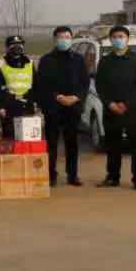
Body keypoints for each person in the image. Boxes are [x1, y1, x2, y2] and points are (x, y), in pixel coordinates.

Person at [95, 25, 136, 190]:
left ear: (127, 39)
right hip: (111, 109)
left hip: (133, 110)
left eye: (121, 36)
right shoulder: (105, 61)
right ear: (110, 40)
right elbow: (100, 85)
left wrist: (126, 103)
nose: (118, 39)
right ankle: (113, 177)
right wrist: (110, 103)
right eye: (115, 37)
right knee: (112, 145)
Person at [36, 27, 89, 187]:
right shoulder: (46, 60)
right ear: (55, 40)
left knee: (72, 142)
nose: (64, 40)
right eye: (61, 37)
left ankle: (72, 175)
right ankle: (51, 174)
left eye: (67, 37)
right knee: (52, 142)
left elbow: (84, 82)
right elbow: (42, 84)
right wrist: (58, 96)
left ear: (71, 39)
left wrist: (76, 97)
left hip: (73, 107)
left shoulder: (78, 59)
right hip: (53, 107)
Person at [0, 35, 36, 140]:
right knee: (9, 138)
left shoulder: (30, 63)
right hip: (9, 107)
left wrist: (35, 102)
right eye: (13, 45)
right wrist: (0, 107)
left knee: (28, 138)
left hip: (27, 106)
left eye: (20, 44)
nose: (17, 47)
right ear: (7, 48)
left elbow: (35, 85)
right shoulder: (1, 64)